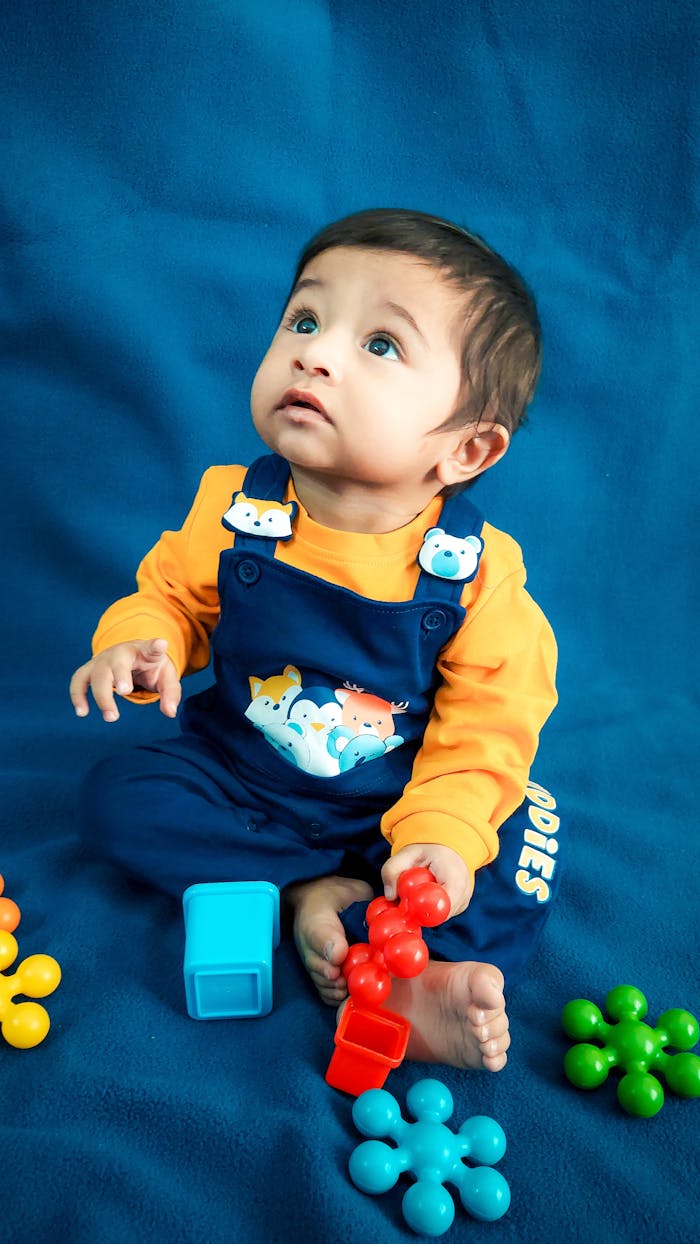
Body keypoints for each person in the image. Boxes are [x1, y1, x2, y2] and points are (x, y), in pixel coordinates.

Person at [70, 208, 559, 1073]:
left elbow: (492, 720)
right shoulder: (234, 507)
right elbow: (171, 595)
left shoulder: (477, 573)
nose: (315, 353)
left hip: (395, 803)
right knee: (119, 794)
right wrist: (145, 641)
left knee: (517, 848)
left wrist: (438, 835)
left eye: (380, 345)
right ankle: (308, 892)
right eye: (305, 319)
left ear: (468, 449)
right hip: (246, 774)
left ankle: (422, 975)